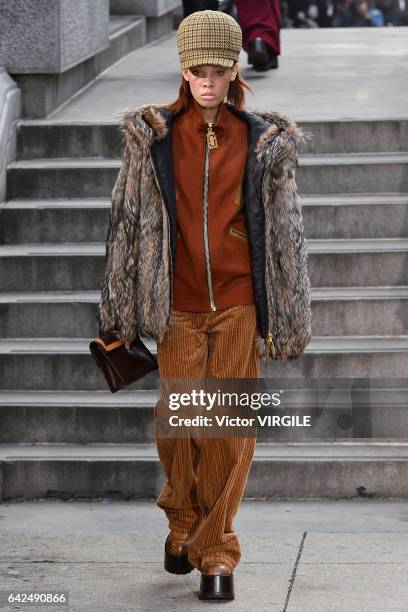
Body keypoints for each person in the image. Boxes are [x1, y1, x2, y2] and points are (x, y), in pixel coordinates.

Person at [98, 9, 312, 602]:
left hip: (240, 301)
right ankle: (181, 518)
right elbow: (127, 224)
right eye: (198, 70)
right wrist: (118, 308)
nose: (209, 82)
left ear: (235, 67)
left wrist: (286, 305)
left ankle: (217, 552)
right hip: (178, 305)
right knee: (182, 424)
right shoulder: (154, 137)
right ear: (183, 70)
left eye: (219, 70)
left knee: (230, 429)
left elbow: (287, 231)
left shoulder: (264, 138)